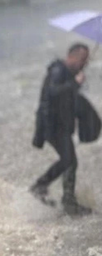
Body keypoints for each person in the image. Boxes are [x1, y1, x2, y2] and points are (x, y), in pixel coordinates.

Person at [32, 43, 92, 216]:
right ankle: (47, 190)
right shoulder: (58, 70)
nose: (85, 63)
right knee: (69, 160)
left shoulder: (67, 73)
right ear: (72, 56)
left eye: (86, 60)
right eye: (83, 59)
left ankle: (62, 198)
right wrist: (75, 83)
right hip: (51, 125)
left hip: (59, 125)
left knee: (70, 161)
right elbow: (53, 92)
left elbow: (68, 100)